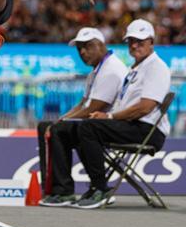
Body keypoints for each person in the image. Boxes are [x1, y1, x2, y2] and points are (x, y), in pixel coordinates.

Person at [72, 18, 172, 209]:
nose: (134, 45)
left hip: (148, 130)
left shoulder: (156, 67)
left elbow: (145, 107)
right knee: (79, 128)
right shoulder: (135, 69)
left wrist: (109, 117)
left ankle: (100, 188)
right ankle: (91, 187)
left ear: (151, 41)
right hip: (134, 125)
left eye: (140, 41)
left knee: (88, 128)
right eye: (131, 41)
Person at [37, 27, 128, 207]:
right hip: (96, 123)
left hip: (110, 125)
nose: (83, 52)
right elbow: (82, 104)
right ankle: (57, 188)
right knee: (48, 126)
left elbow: (94, 108)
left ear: (101, 45)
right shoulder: (97, 71)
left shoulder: (111, 69)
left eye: (87, 47)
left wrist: (60, 123)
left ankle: (63, 190)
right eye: (79, 49)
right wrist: (61, 119)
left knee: (58, 130)